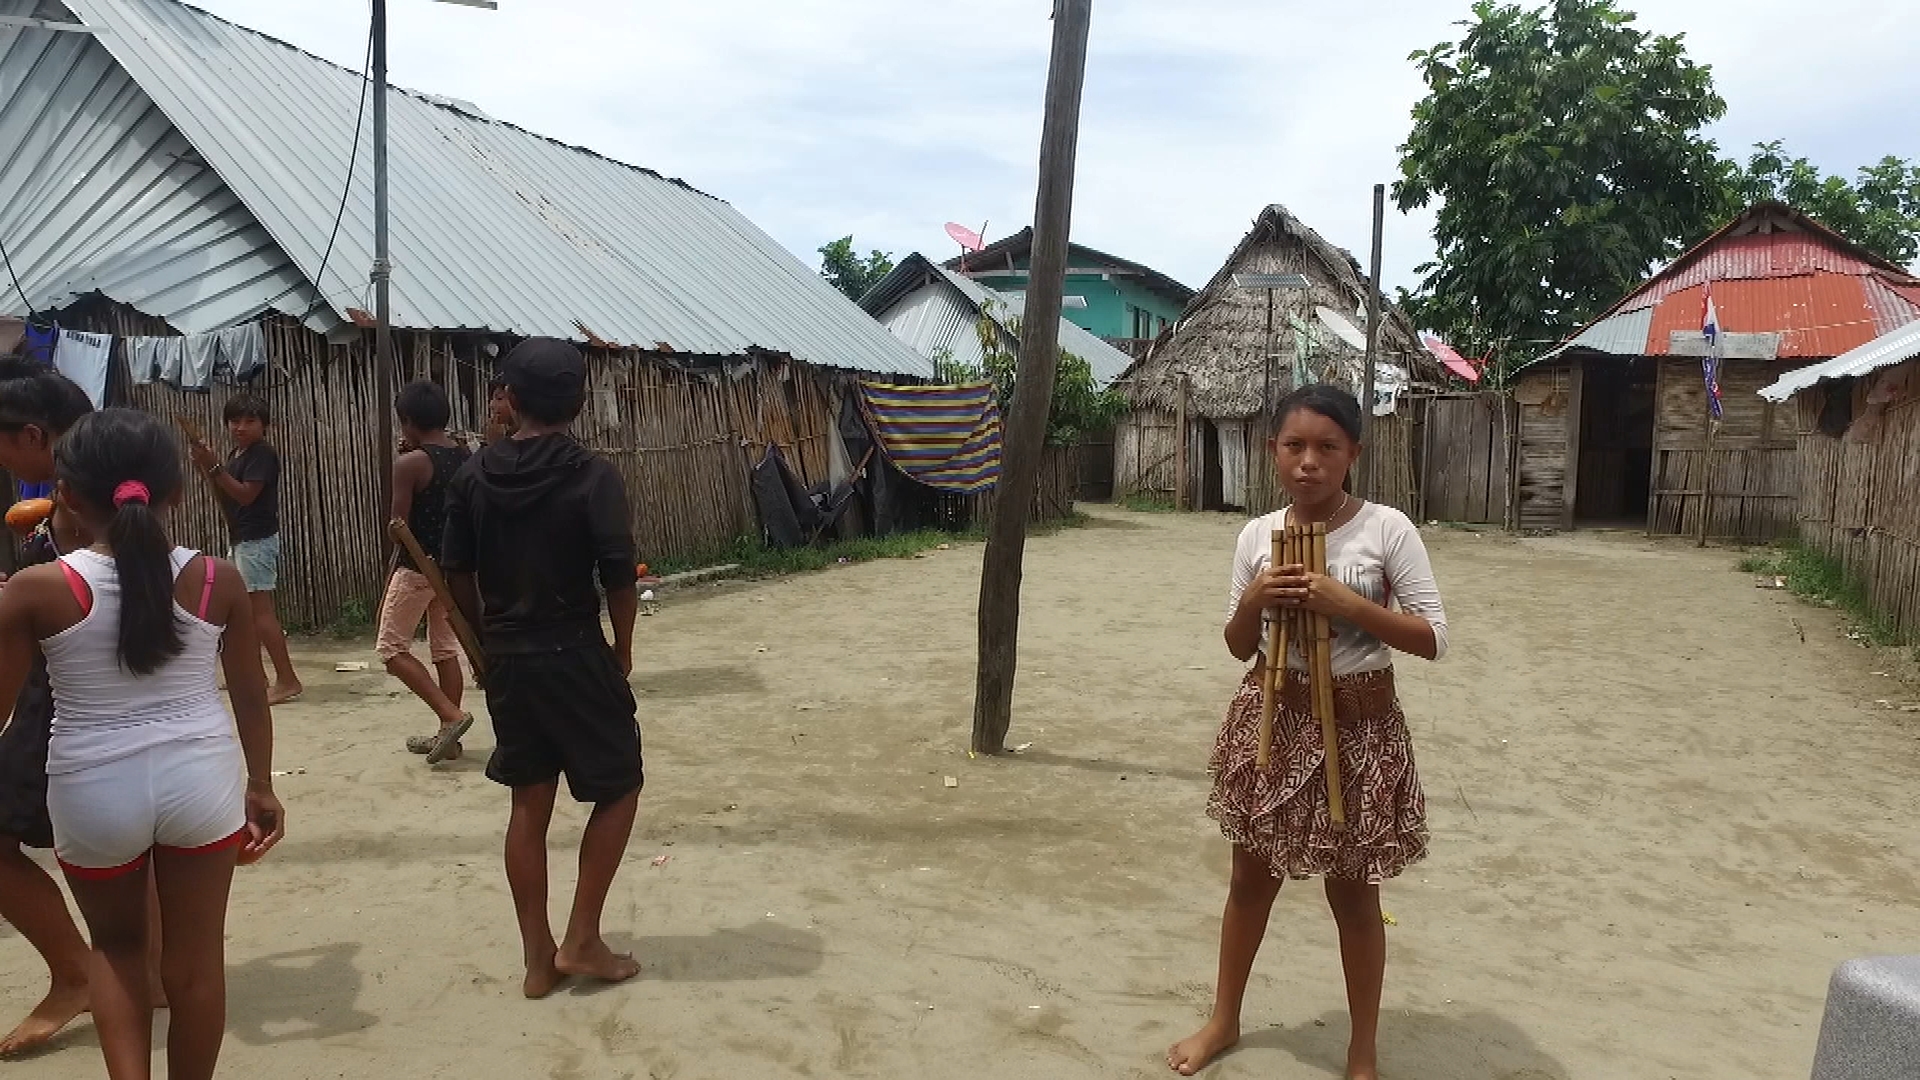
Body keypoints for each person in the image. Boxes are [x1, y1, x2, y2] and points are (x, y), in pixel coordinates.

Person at [1167, 385, 1448, 1080]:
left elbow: (1432, 638)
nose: (1309, 462)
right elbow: (1239, 645)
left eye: (1327, 447)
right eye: (1294, 446)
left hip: (1360, 732)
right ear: (1273, 452)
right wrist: (1256, 598)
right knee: (1249, 879)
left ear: (1354, 453)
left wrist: (1346, 602)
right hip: (1274, 720)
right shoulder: (1256, 536)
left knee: (1353, 893)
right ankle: (1224, 1019)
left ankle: (1361, 1051)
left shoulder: (1387, 529)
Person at [0, 408, 285, 1080]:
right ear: (176, 493)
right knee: (196, 965)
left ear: (65, 496)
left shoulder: (38, 589)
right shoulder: (218, 579)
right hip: (201, 784)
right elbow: (250, 695)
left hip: (92, 791)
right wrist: (261, 784)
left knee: (117, 952)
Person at [443, 337, 642, 998]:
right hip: (574, 650)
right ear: (579, 403)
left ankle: (538, 958)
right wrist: (622, 649)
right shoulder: (594, 476)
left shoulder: (473, 476)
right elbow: (618, 575)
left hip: (509, 659)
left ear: (510, 399)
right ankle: (582, 938)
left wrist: (483, 640)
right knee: (620, 785)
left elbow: (456, 572)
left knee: (529, 801)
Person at [0, 360, 98, 1054]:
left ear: (34, 436)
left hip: (63, 695)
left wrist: (18, 602)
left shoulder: (72, 506)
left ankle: (75, 974)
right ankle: (144, 972)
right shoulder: (104, 490)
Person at [380, 380, 474, 764]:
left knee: (391, 649)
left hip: (417, 569)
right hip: (452, 570)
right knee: (445, 650)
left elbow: (397, 525)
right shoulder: (466, 457)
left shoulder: (410, 464)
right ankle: (447, 737)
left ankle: (450, 716)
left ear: (406, 421)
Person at [188, 394, 302, 705]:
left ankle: (288, 680)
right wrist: (205, 465)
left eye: (250, 421)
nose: (240, 427)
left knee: (260, 612)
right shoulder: (238, 454)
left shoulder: (261, 454)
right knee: (247, 613)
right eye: (235, 421)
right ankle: (256, 675)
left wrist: (214, 467)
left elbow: (245, 495)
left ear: (264, 426)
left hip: (257, 540)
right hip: (243, 538)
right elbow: (223, 489)